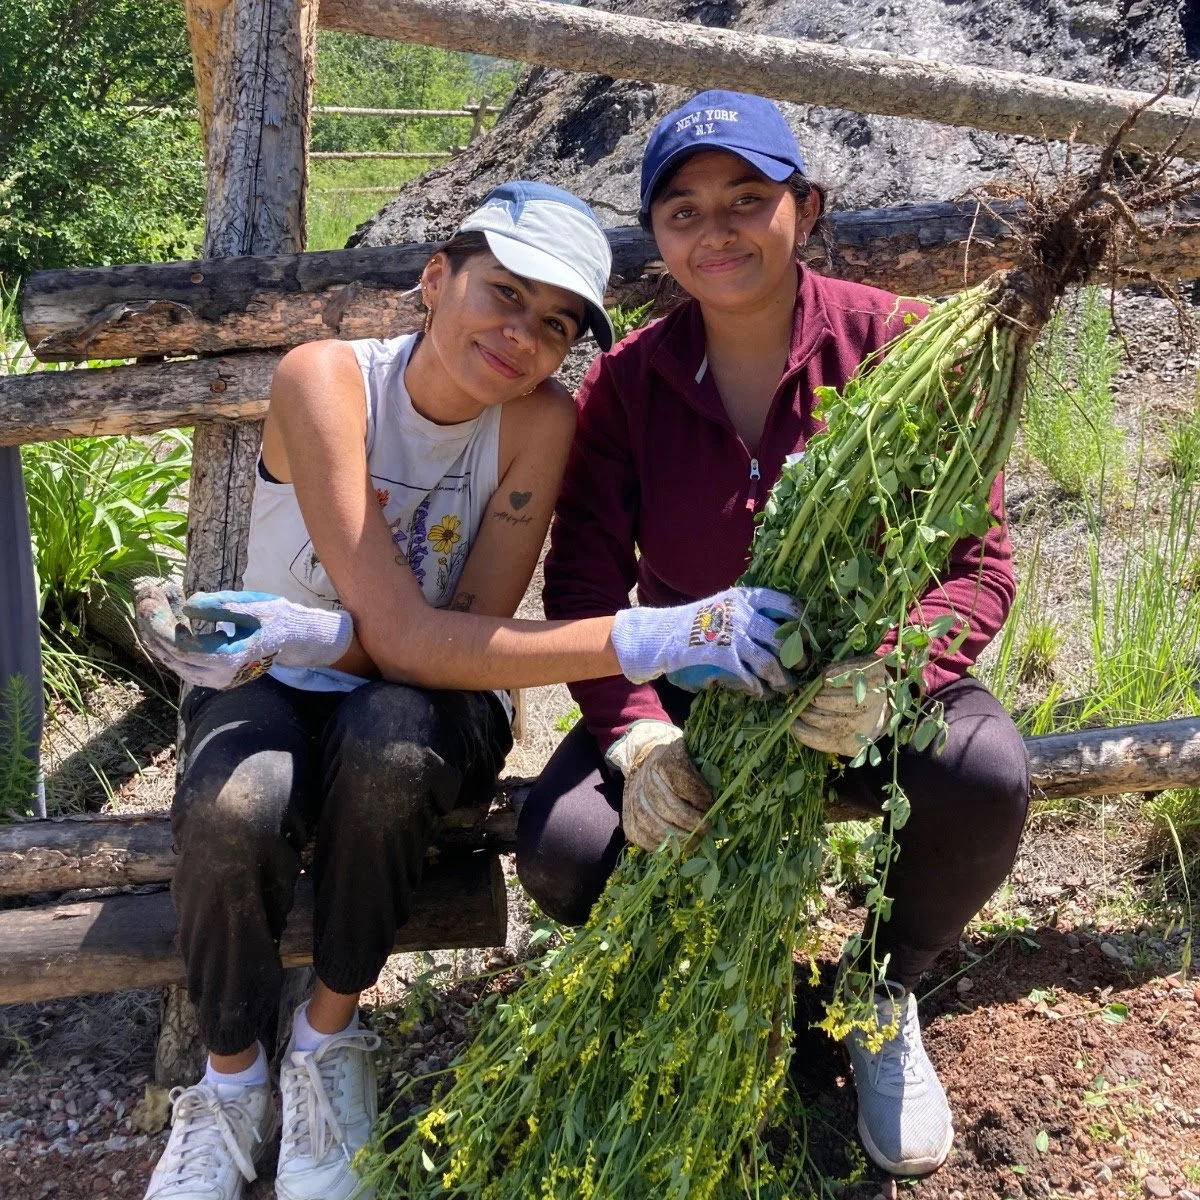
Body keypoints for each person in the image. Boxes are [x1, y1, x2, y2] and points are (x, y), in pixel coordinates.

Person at [136, 180, 800, 1200]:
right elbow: (409, 633)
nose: (522, 335)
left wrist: (332, 633)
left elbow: (458, 637)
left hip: (432, 694)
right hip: (269, 674)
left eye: (556, 323)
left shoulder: (536, 425)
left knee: (394, 744)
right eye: (504, 293)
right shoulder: (327, 380)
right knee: (236, 806)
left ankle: (327, 1040)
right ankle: (229, 1084)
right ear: (435, 277)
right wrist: (656, 635)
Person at [515, 92, 1032, 1178]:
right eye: (684, 212)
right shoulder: (630, 381)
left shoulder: (899, 346)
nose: (717, 231)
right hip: (701, 678)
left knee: (983, 775)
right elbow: (588, 579)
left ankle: (879, 989)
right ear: (656, 239)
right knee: (565, 846)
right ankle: (739, 988)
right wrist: (638, 733)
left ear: (807, 207)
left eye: (747, 199)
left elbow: (978, 562)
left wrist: (894, 670)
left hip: (863, 675)